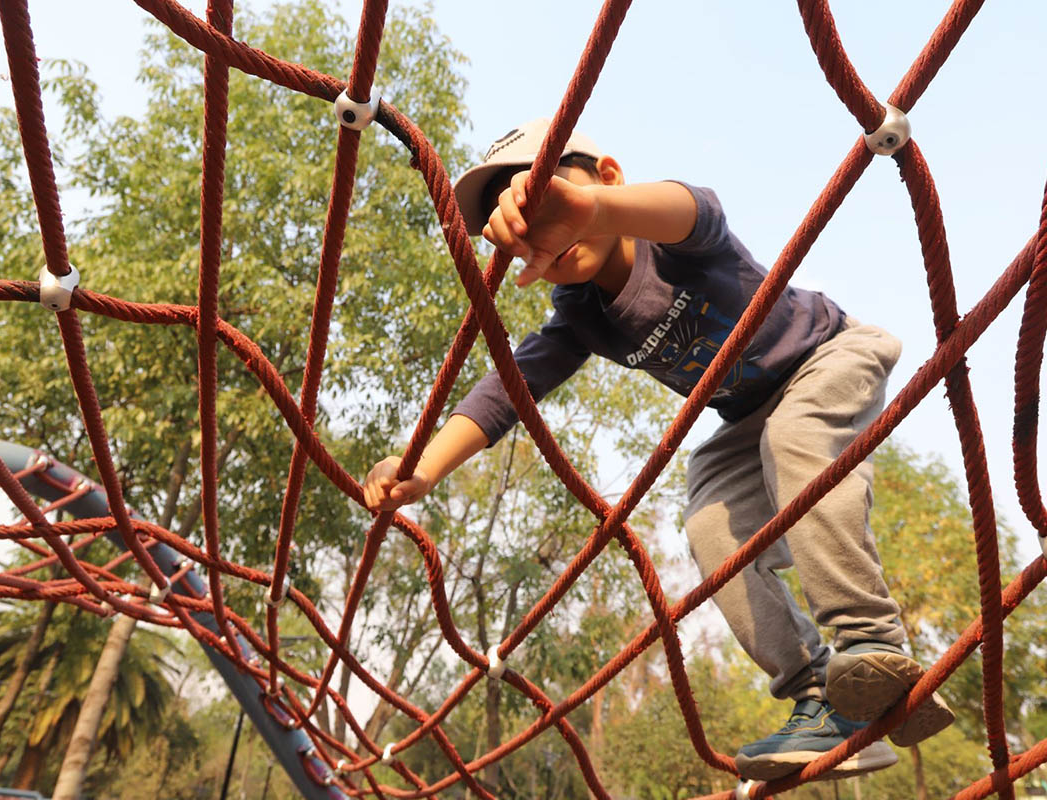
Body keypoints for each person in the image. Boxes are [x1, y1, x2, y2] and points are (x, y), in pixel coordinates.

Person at [363, 118, 954, 782]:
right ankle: (822, 697)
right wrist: (421, 470)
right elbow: (507, 388)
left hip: (827, 356)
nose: (544, 225)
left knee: (797, 441)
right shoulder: (582, 313)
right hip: (746, 416)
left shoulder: (670, 241)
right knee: (708, 528)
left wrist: (594, 210)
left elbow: (697, 207)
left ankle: (870, 643)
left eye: (551, 194)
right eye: (523, 223)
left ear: (607, 176)